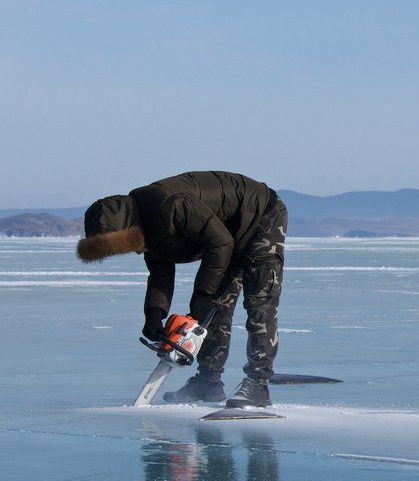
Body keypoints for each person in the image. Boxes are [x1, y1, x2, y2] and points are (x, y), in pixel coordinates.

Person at [77, 171, 287, 408]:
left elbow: (220, 243)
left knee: (260, 302)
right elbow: (160, 272)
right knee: (215, 309)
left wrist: (203, 295)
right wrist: (154, 313)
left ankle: (258, 385)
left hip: (260, 217)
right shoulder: (145, 230)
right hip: (228, 233)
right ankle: (209, 381)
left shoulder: (171, 206)